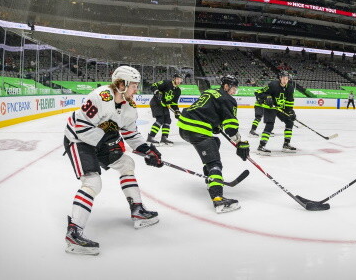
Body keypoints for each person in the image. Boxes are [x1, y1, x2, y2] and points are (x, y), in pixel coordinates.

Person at [63, 66, 163, 256]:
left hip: (100, 142)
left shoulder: (130, 106)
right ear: (121, 84)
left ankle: (137, 210)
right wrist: (106, 143)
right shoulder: (100, 97)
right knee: (92, 181)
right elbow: (81, 127)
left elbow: (131, 133)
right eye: (133, 86)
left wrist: (149, 151)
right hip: (78, 140)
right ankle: (73, 233)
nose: (137, 90)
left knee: (127, 164)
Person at [177, 75, 249, 213]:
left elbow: (206, 109)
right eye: (233, 88)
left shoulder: (210, 91)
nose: (234, 92)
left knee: (215, 142)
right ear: (226, 86)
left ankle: (209, 176)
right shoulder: (227, 99)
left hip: (184, 127)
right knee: (215, 163)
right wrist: (240, 143)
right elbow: (230, 125)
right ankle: (218, 199)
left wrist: (215, 124)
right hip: (197, 129)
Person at [257, 71, 297, 155]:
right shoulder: (273, 85)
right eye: (283, 78)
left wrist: (290, 112)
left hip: (280, 108)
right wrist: (267, 97)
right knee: (270, 125)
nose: (285, 80)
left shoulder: (290, 88)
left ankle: (286, 144)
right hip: (270, 107)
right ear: (280, 78)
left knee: (290, 122)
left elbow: (289, 101)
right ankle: (261, 146)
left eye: (287, 79)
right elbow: (258, 92)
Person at [147, 73, 183, 146]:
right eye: (178, 79)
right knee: (160, 120)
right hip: (156, 103)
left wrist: (177, 111)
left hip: (164, 105)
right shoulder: (166, 83)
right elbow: (154, 85)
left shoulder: (178, 91)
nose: (179, 81)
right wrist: (157, 92)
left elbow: (174, 103)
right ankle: (150, 137)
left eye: (181, 80)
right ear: (174, 78)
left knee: (167, 121)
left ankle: (164, 138)